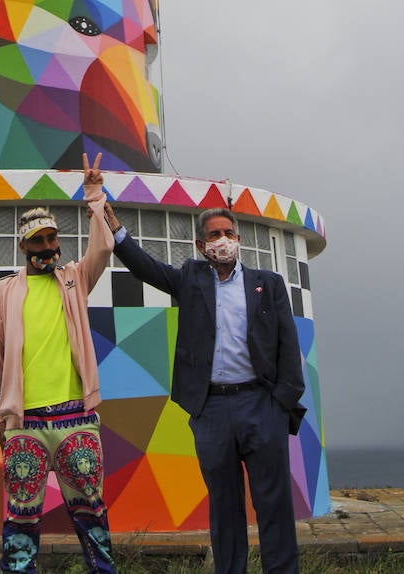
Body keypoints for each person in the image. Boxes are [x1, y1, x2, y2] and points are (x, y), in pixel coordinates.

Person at [104, 202, 305, 574]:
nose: (223, 241)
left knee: (274, 503)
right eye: (214, 235)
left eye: (228, 234)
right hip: (211, 410)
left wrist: (280, 405)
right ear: (201, 246)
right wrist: (114, 226)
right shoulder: (191, 279)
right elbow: (146, 268)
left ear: (239, 240)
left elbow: (288, 348)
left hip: (262, 406)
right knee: (224, 508)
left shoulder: (269, 284)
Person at [0, 153, 117, 574]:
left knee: (92, 516)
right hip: (24, 425)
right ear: (23, 246)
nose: (47, 247)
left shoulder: (75, 279)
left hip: (77, 417)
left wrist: (93, 195)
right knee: (20, 524)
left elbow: (105, 246)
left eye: (51, 239)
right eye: (38, 241)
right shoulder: (2, 292)